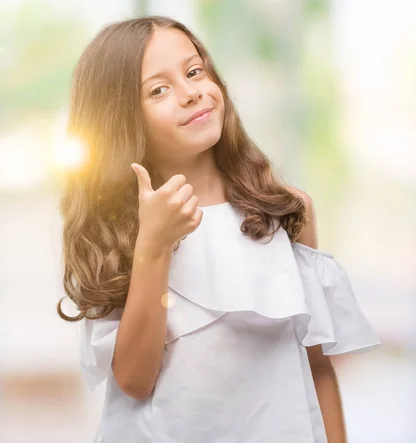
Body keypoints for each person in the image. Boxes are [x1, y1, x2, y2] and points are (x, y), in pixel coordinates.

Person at [56, 15, 381, 443]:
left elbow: (316, 367)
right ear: (121, 119)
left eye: (194, 72)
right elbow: (135, 380)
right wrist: (154, 245)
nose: (191, 93)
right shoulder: (117, 232)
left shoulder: (285, 211)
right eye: (159, 89)